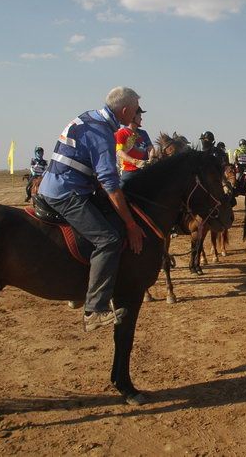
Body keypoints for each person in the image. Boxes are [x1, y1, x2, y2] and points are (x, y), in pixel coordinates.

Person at [38, 86, 147, 331]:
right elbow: (109, 181)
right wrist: (130, 224)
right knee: (107, 239)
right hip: (66, 192)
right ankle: (94, 309)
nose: (137, 115)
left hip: (64, 184)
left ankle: (83, 286)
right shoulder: (102, 133)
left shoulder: (90, 117)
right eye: (136, 111)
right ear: (126, 110)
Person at [115, 107, 154, 185]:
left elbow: (151, 148)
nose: (141, 119)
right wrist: (135, 162)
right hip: (129, 171)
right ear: (132, 117)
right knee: (122, 188)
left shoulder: (143, 133)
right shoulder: (121, 133)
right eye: (139, 116)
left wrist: (151, 158)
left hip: (145, 169)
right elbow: (119, 151)